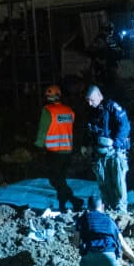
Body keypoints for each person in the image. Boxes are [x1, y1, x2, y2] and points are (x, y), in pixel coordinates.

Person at [34, 84, 81, 212]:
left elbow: (42, 132)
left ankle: (74, 200)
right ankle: (63, 205)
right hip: (67, 150)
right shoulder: (69, 111)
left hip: (54, 152)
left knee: (56, 180)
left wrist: (38, 147)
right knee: (61, 179)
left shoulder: (47, 111)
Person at [85, 85, 131, 212]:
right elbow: (90, 132)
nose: (89, 103)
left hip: (115, 152)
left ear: (99, 96)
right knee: (104, 183)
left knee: (118, 182)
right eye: (87, 100)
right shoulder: (92, 112)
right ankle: (109, 208)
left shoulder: (111, 107)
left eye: (91, 100)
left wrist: (116, 144)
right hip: (100, 153)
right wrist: (87, 146)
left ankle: (121, 210)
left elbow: (125, 125)